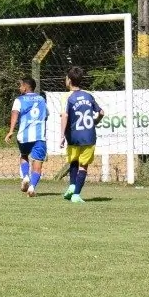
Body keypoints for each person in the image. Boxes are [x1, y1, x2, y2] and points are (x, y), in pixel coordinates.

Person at [57, 66, 102, 204]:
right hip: (88, 136)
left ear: (69, 80)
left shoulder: (67, 97)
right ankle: (76, 194)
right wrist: (94, 122)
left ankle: (71, 186)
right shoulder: (89, 96)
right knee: (83, 165)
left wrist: (62, 135)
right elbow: (101, 113)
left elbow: (64, 115)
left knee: (73, 161)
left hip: (73, 135)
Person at [4, 77, 48, 197]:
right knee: (38, 162)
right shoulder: (41, 99)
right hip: (39, 136)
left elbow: (15, 113)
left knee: (24, 156)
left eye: (20, 86)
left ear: (25, 87)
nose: (19, 88)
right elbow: (46, 115)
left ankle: (25, 176)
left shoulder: (19, 100)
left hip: (23, 136)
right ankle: (32, 187)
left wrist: (11, 131)